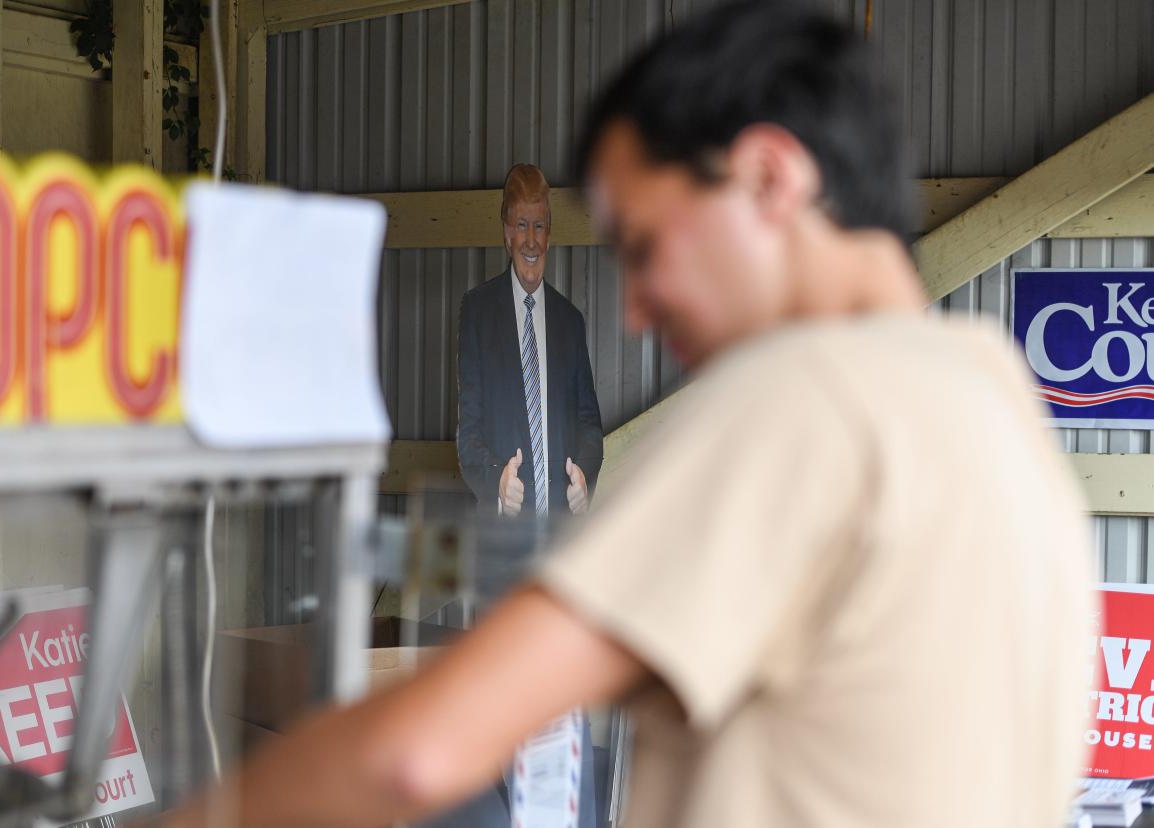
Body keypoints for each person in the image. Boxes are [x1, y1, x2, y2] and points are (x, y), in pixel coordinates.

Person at [165, 2, 1094, 826]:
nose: (636, 307)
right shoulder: (993, 399)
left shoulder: (801, 401)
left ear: (771, 178)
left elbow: (421, 752)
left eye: (645, 247)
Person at [456, 164, 604, 518]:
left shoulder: (570, 322)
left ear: (549, 233)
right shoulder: (477, 313)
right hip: (503, 536)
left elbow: (590, 425)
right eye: (521, 226)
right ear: (507, 234)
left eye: (539, 226)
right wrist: (497, 482)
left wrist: (584, 473)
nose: (531, 240)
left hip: (560, 533)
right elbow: (468, 433)